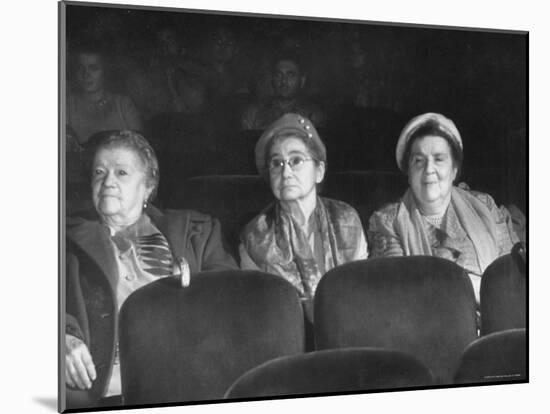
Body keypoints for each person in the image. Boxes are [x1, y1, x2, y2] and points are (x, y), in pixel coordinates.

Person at [65, 130, 237, 409]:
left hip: (189, 382)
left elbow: (234, 303)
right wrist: (62, 335)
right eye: (99, 172)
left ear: (148, 186)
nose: (107, 181)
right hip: (102, 387)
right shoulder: (64, 239)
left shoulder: (197, 233)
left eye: (121, 173)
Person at [368, 113, 519, 304]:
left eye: (438, 159)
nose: (429, 169)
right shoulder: (388, 221)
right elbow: (397, 296)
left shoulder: (485, 207)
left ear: (454, 169)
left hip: (493, 325)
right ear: (408, 172)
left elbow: (510, 279)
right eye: (419, 161)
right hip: (427, 328)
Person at [239, 113, 368, 304]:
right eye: (276, 163)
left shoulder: (346, 219)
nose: (286, 172)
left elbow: (360, 294)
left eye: (296, 160)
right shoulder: (255, 236)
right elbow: (261, 310)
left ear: (319, 171)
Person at [67, 44, 143, 145]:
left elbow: (140, 146)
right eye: (81, 68)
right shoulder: (67, 105)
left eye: (93, 68)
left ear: (105, 71)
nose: (86, 74)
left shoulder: (123, 105)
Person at [241, 54, 325, 130]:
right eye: (278, 75)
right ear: (272, 79)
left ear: (302, 80)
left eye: (290, 75)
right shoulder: (254, 113)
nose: (283, 81)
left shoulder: (312, 114)